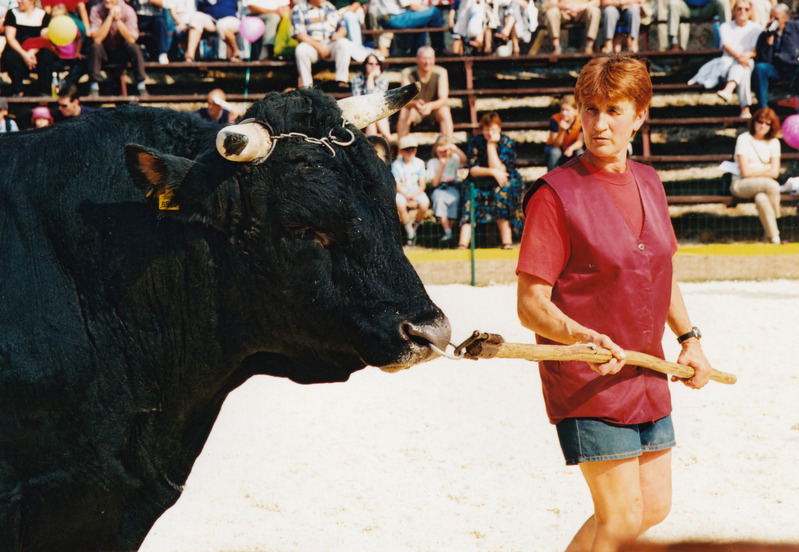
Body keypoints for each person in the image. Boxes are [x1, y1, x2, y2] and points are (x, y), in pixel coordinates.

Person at [517, 53, 714, 552]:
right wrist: (581, 336)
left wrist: (689, 341)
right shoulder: (555, 195)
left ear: (640, 115)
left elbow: (661, 272)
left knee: (653, 507)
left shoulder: (650, 180)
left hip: (649, 373)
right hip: (591, 380)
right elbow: (531, 305)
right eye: (589, 109)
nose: (599, 124)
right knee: (622, 518)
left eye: (614, 110)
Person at [457, 111, 523, 250]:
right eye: (486, 129)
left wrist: (491, 145)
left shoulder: (507, 142)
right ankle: (462, 244)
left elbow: (501, 169)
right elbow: (474, 170)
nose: (489, 133)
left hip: (503, 181)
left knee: (501, 194)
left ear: (499, 128)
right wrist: (492, 172)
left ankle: (507, 241)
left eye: (493, 129)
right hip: (480, 179)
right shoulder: (475, 142)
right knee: (471, 196)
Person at [731, 107, 783, 243]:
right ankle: (779, 220)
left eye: (767, 123)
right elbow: (745, 172)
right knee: (773, 185)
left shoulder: (774, 143)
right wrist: (766, 169)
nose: (763, 126)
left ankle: (772, 236)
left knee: (762, 199)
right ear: (754, 122)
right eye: (760, 122)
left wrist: (759, 170)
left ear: (772, 126)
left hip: (761, 186)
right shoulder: (743, 139)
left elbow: (775, 172)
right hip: (741, 184)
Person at [710, 0, 762, 119]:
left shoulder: (756, 28)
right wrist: (740, 57)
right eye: (739, 8)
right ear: (734, 11)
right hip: (727, 64)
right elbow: (726, 47)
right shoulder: (725, 26)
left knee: (743, 65)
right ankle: (745, 109)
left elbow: (754, 50)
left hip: (746, 61)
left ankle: (729, 89)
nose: (742, 11)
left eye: (746, 9)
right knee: (743, 66)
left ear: (750, 12)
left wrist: (743, 57)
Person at [87, 0, 148, 97]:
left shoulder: (128, 10)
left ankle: (141, 86)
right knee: (95, 47)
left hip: (122, 52)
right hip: (104, 52)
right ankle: (94, 87)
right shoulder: (96, 9)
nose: (107, 0)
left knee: (135, 48)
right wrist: (110, 18)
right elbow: (97, 39)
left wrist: (118, 20)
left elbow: (131, 39)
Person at [291, 0, 352, 90]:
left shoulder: (329, 6)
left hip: (330, 43)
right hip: (312, 45)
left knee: (344, 43)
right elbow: (299, 34)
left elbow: (343, 27)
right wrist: (319, 47)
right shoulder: (299, 9)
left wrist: (339, 34)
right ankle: (307, 87)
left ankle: (342, 81)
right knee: (301, 49)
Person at [1, 0, 57, 97]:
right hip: (18, 50)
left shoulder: (43, 15)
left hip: (35, 51)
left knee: (46, 55)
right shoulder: (12, 13)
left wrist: (31, 53)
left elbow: (44, 39)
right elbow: (10, 38)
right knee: (11, 56)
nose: (19, 1)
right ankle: (18, 91)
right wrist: (25, 55)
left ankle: (44, 92)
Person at [397, 46, 453, 141]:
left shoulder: (441, 72)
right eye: (424, 58)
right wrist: (414, 104)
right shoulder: (407, 73)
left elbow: (443, 99)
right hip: (415, 111)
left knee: (445, 111)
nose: (427, 62)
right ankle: (402, 149)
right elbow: (404, 100)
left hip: (434, 111)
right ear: (417, 59)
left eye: (430, 58)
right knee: (405, 111)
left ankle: (448, 146)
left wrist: (430, 106)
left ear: (434, 59)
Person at [752, 3, 799, 111]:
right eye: (771, 17)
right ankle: (763, 109)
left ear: (785, 18)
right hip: (777, 69)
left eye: (776, 18)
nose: (773, 20)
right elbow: (765, 60)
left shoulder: (796, 28)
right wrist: (769, 44)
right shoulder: (765, 34)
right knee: (761, 68)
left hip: (794, 67)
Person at [427, 134, 467, 245]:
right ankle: (448, 232)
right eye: (441, 151)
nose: (443, 153)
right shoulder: (432, 162)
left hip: (452, 187)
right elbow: (434, 183)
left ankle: (449, 234)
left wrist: (454, 148)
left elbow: (464, 160)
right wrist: (441, 165)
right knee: (439, 201)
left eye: (445, 150)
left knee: (454, 202)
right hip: (439, 188)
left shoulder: (453, 158)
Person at [368, 0, 447, 56]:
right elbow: (413, 6)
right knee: (434, 12)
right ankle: (439, 51)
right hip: (394, 19)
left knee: (421, 19)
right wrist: (427, 10)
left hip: (382, 19)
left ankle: (416, 51)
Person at [392, 135, 430, 246]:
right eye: (407, 150)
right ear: (402, 151)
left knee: (424, 204)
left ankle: (415, 228)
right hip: (402, 191)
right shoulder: (396, 165)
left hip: (416, 190)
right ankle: (410, 233)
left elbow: (422, 185)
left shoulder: (419, 163)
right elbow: (397, 185)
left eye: (413, 149)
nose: (410, 152)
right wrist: (407, 196)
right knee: (400, 205)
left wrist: (414, 195)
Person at [350, 54, 392, 142]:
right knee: (371, 115)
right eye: (371, 64)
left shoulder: (383, 80)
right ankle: (389, 139)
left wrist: (371, 78)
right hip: (361, 113)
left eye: (377, 64)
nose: (374, 67)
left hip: (378, 113)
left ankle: (384, 140)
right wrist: (370, 78)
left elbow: (376, 101)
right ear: (365, 65)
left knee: (373, 116)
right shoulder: (356, 80)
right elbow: (358, 101)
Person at [545, 94, 584, 171]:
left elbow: (580, 142)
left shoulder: (580, 121)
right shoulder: (555, 119)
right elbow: (556, 144)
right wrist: (561, 131)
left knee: (580, 152)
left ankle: (580, 177)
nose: (564, 113)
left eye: (567, 110)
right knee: (555, 153)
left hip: (570, 146)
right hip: (554, 146)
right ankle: (552, 177)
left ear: (576, 111)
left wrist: (571, 148)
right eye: (562, 110)